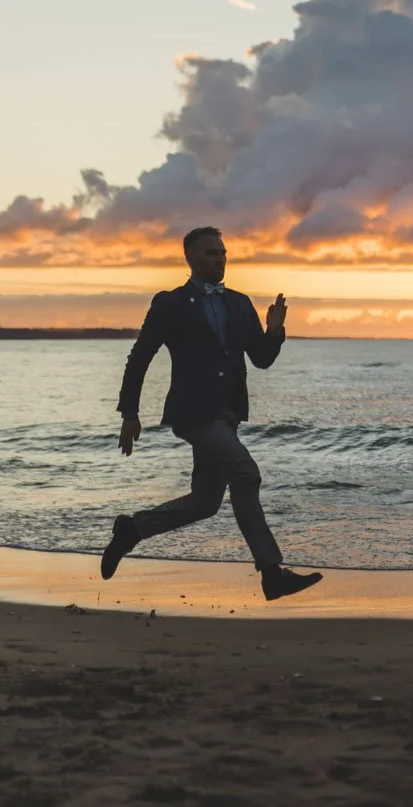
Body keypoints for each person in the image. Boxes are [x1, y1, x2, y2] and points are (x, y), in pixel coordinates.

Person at [102, 226, 323, 601]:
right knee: (246, 475)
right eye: (210, 253)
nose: (219, 259)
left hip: (227, 414)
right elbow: (140, 357)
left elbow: (262, 359)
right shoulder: (170, 303)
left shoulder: (239, 303)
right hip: (193, 413)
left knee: (204, 503)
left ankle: (132, 530)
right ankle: (272, 572)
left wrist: (275, 330)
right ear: (189, 258)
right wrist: (130, 412)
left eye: (222, 253)